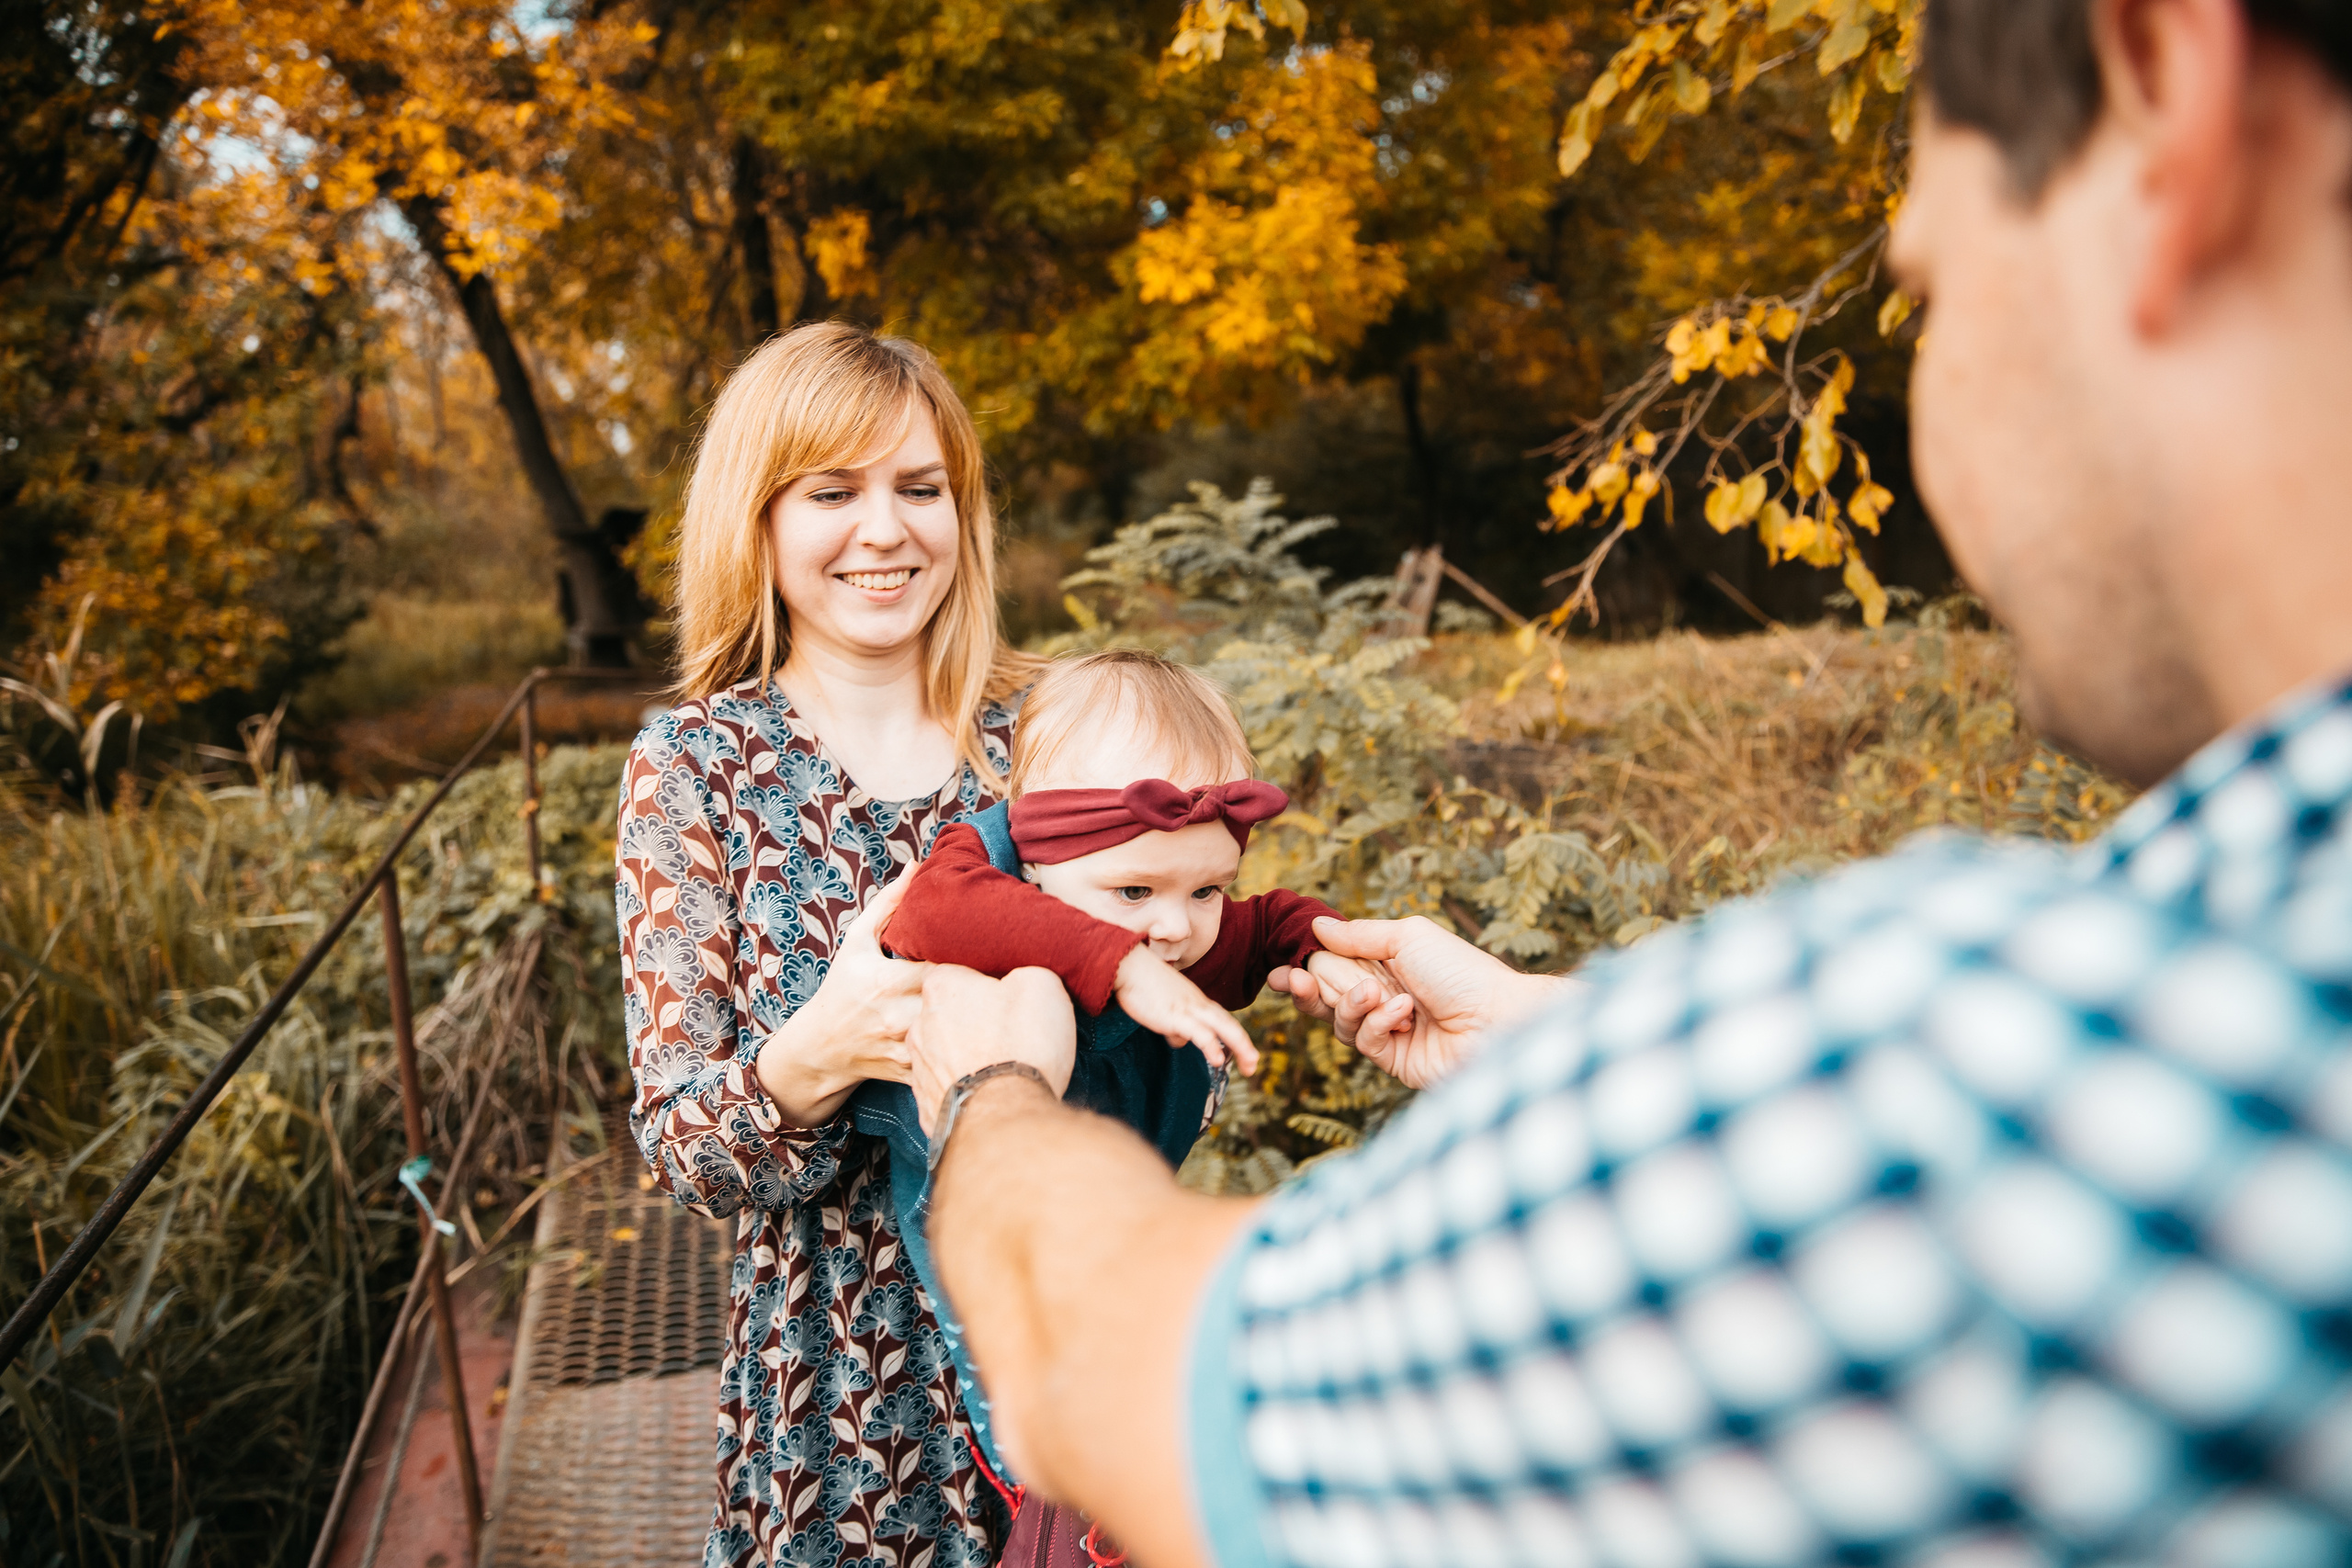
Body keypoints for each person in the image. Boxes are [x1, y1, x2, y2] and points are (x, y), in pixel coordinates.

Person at [901, 1, 2352, 1563]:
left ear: (2165, 82)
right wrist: (1564, 1041)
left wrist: (990, 1098)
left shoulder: (1957, 1063)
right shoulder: (2203, 1008)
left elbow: (1143, 1387)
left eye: (1935, 293)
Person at [614, 321, 1043, 1568]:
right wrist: (826, 1047)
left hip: (1053, 1342)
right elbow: (683, 1144)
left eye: (921, 488)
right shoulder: (695, 767)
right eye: (832, 492)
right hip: (836, 1392)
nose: (885, 530)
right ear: (757, 517)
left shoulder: (1043, 742)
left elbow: (1173, 1058)